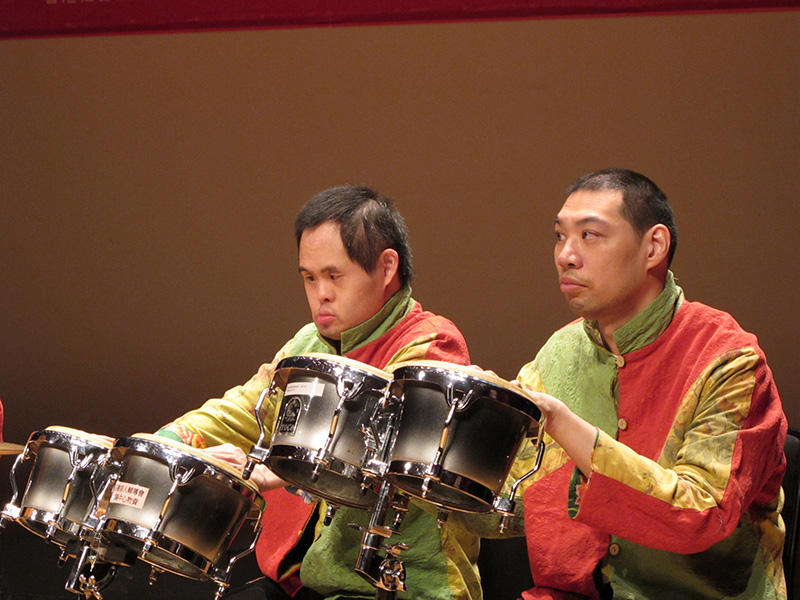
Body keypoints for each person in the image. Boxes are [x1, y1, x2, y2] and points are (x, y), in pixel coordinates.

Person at [156, 185, 480, 600]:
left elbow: (374, 449)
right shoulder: (306, 343)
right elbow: (244, 407)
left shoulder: (432, 345)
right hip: (304, 582)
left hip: (396, 583)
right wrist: (167, 442)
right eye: (309, 278)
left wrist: (266, 470)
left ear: (385, 268)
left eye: (333, 276)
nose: (320, 293)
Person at [512, 168, 787, 599]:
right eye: (559, 235)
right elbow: (502, 505)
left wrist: (563, 422)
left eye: (590, 235)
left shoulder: (728, 359)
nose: (566, 255)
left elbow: (702, 513)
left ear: (653, 246)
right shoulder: (558, 353)